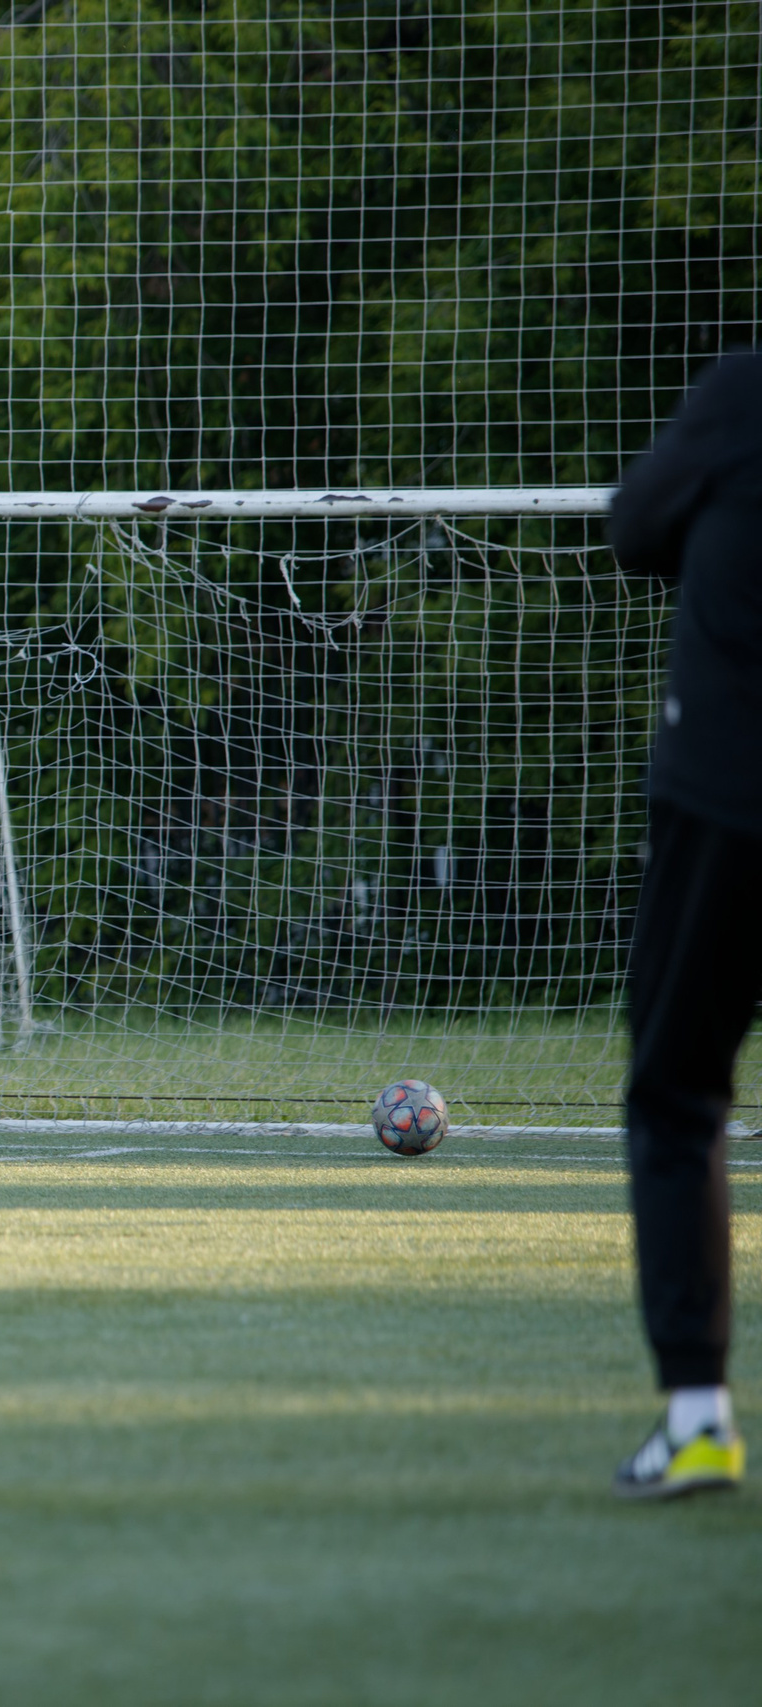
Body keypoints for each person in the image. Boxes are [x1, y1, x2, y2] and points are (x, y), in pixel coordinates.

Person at [605, 348, 762, 1499]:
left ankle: (698, 1417)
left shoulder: (742, 394)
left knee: (674, 1092)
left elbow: (634, 526)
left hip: (729, 796)